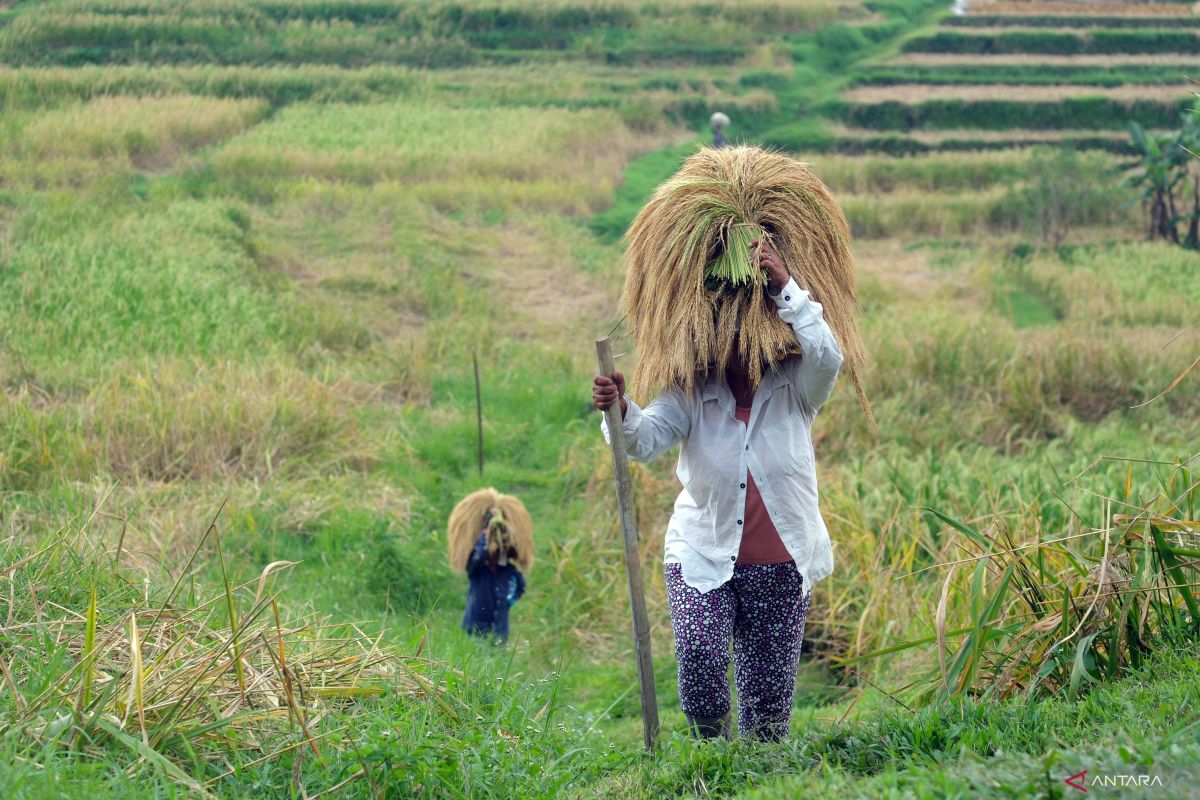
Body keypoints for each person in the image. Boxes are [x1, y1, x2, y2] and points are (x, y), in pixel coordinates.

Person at [592, 239, 842, 741]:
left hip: (782, 564)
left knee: (768, 709)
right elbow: (644, 440)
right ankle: (712, 753)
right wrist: (620, 410)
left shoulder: (797, 387)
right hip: (701, 554)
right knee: (700, 656)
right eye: (723, 332)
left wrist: (785, 287)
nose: (736, 346)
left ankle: (758, 776)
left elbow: (828, 357)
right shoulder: (690, 390)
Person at [461, 509, 526, 642]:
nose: (495, 553)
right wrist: (486, 535)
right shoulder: (478, 569)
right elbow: (477, 558)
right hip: (476, 627)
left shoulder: (509, 571)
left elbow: (521, 586)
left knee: (498, 660)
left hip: (499, 629)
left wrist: (509, 601)